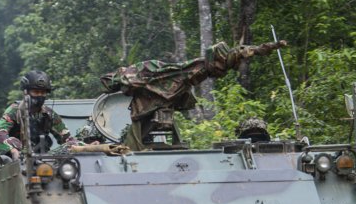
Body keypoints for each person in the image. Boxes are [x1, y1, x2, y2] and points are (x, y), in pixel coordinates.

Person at [101, 41, 285, 151]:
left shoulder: (184, 75)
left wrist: (262, 48)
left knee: (158, 141)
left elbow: (207, 66)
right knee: (132, 148)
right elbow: (203, 66)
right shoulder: (164, 73)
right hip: (143, 116)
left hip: (152, 112)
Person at [0, 70, 76, 160]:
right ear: (26, 93)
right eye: (36, 92)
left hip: (42, 161)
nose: (40, 95)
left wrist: (85, 146)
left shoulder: (49, 114)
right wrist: (13, 150)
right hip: (15, 162)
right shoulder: (15, 111)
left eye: (43, 92)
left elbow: (67, 139)